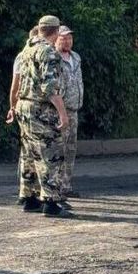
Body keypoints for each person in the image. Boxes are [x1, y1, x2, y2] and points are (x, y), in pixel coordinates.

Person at [16, 15, 72, 218]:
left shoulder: (27, 48)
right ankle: (50, 201)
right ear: (56, 31)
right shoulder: (49, 52)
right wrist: (63, 114)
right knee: (51, 153)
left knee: (29, 153)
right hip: (40, 108)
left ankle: (29, 197)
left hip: (24, 105)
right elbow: (50, 88)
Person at [8, 27, 39, 205]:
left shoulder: (22, 56)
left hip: (22, 106)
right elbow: (15, 84)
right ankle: (34, 193)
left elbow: (15, 86)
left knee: (27, 150)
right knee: (38, 152)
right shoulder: (36, 56)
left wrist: (13, 106)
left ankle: (25, 192)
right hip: (33, 109)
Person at [56, 25, 83, 198]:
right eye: (63, 38)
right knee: (58, 148)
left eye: (69, 38)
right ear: (56, 39)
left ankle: (66, 185)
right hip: (60, 110)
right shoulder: (53, 58)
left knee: (70, 149)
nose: (67, 41)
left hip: (74, 109)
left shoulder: (76, 57)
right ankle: (55, 186)